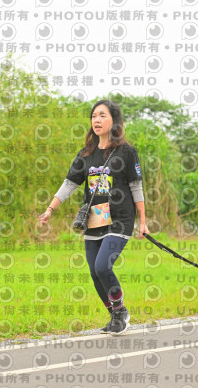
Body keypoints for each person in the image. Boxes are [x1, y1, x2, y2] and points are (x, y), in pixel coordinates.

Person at [38, 99, 148, 335]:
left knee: (102, 266)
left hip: (120, 219)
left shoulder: (127, 152)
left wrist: (143, 222)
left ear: (114, 121)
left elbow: (136, 187)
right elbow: (69, 184)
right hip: (94, 219)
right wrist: (50, 209)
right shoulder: (86, 154)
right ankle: (115, 315)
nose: (96, 120)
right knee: (94, 273)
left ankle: (121, 312)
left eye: (102, 115)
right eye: (94, 116)